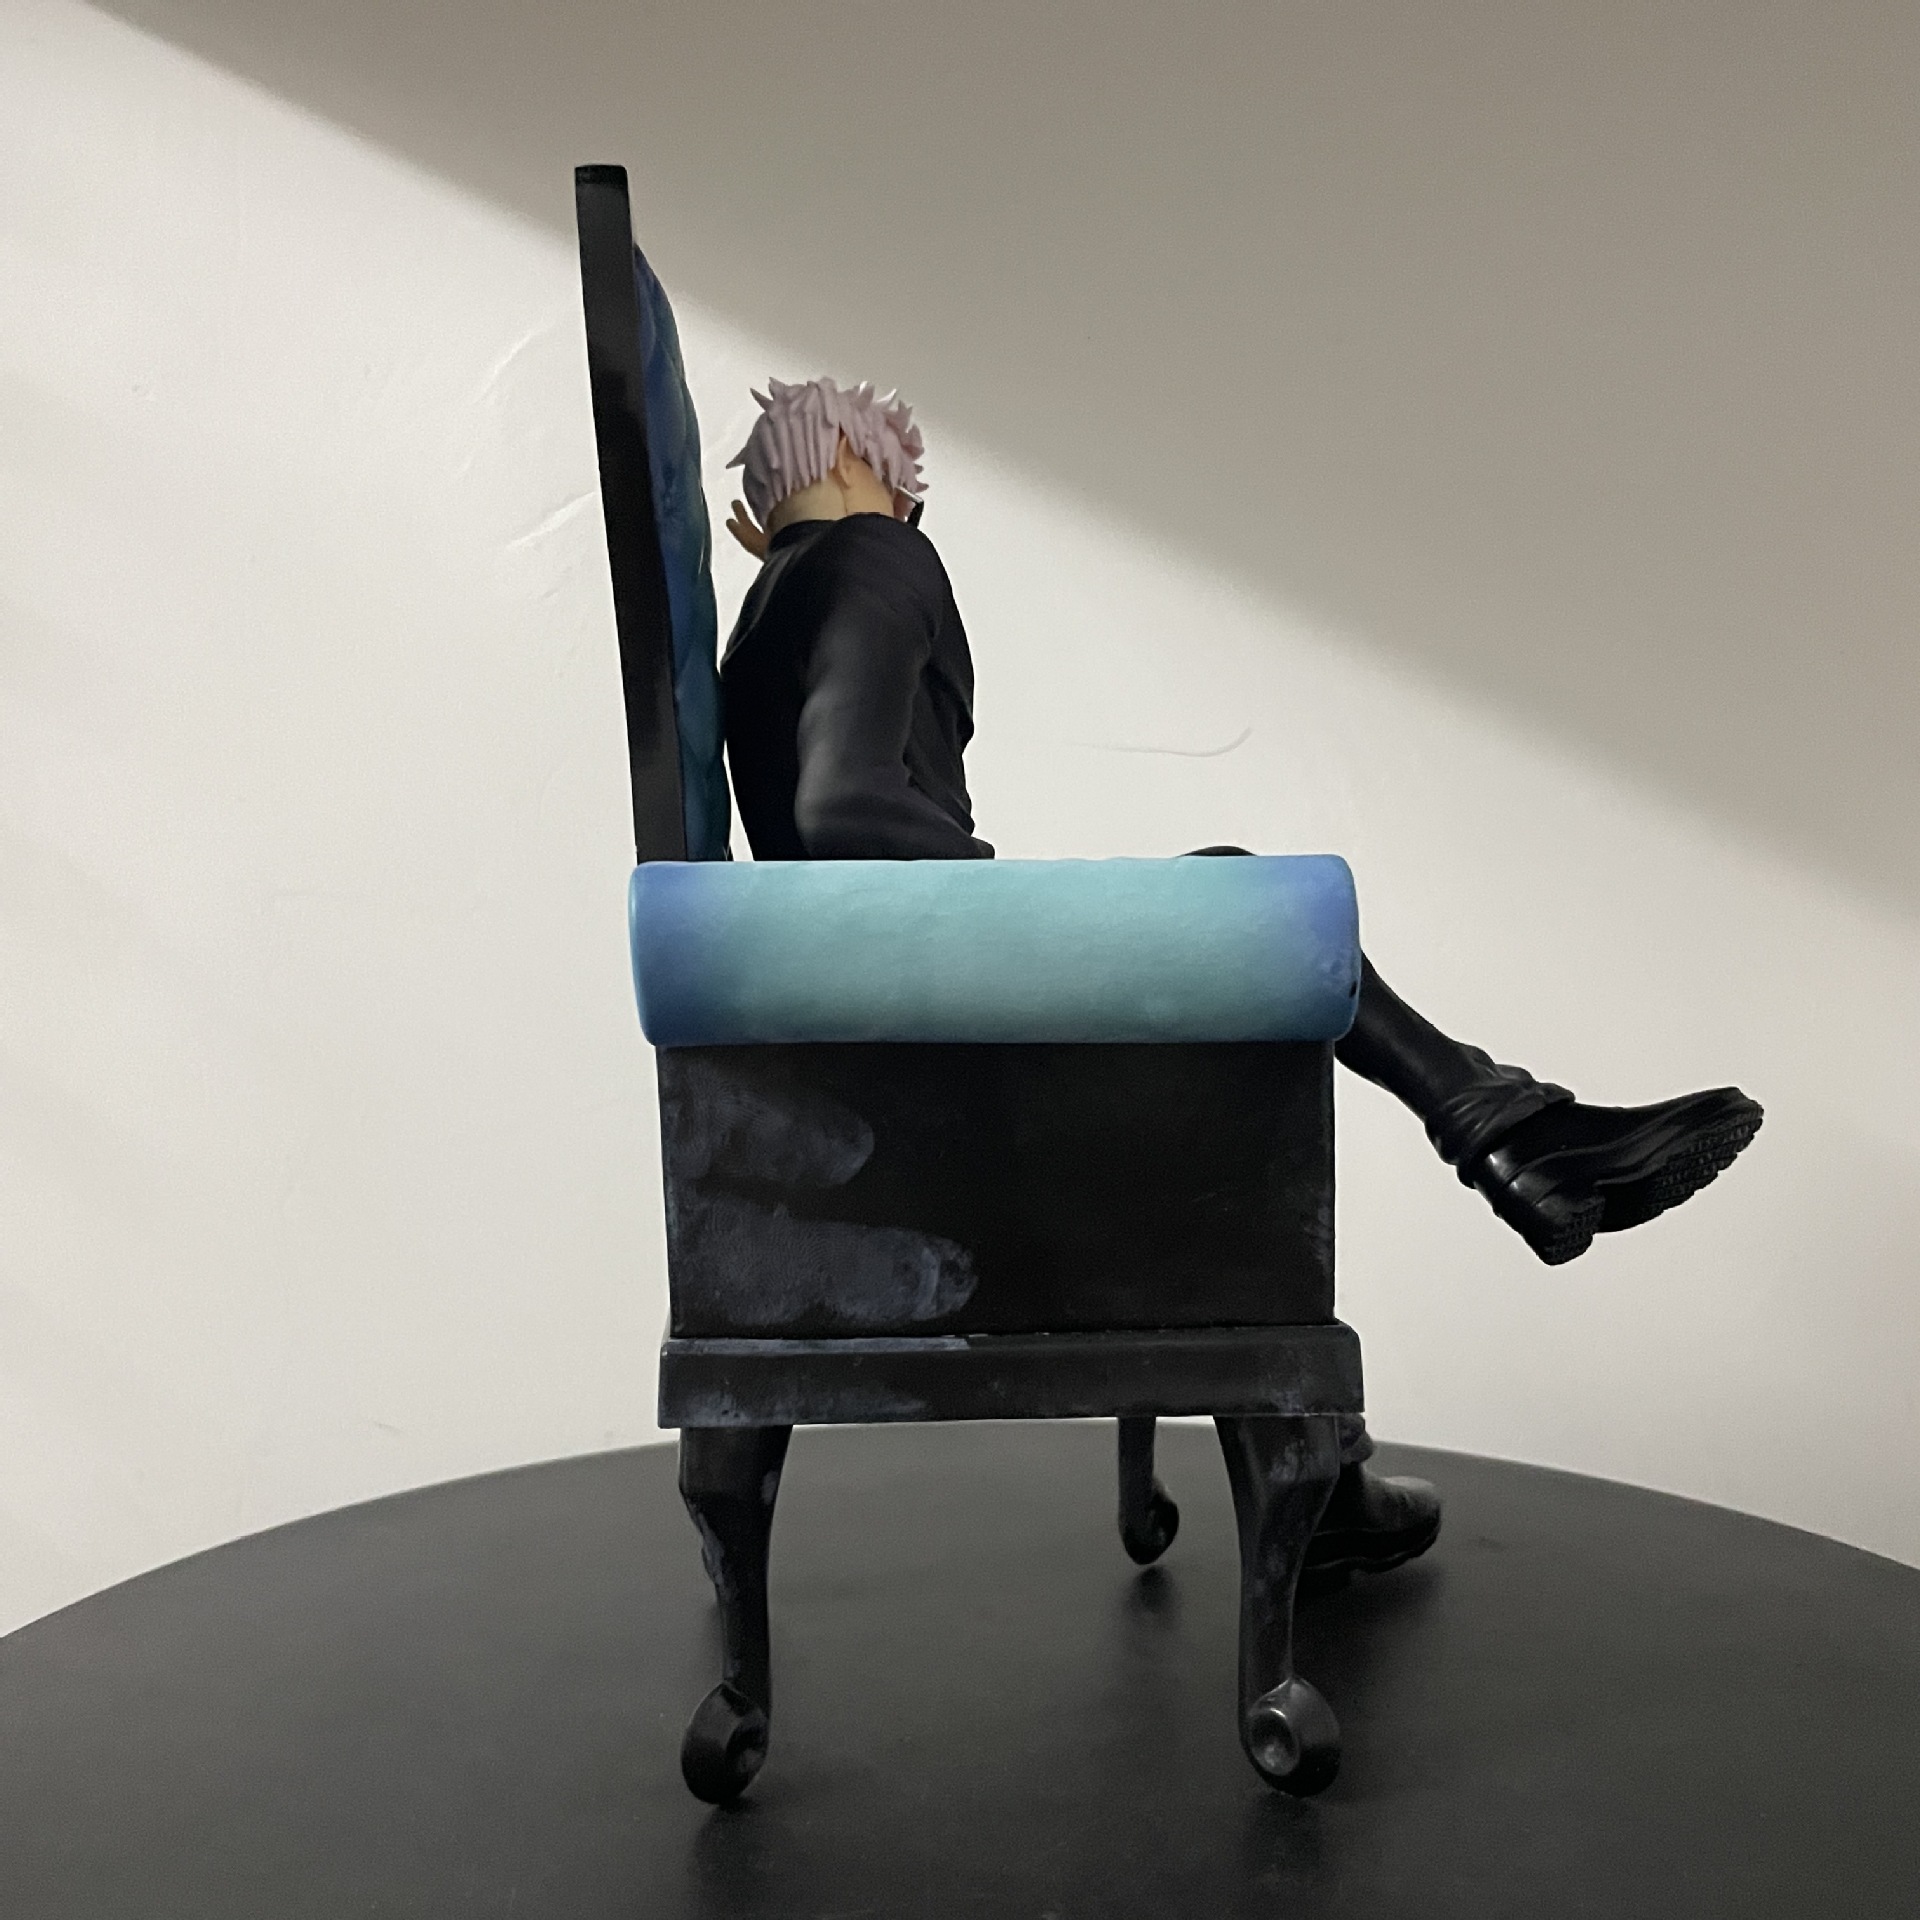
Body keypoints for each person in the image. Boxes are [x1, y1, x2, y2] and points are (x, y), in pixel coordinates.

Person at [716, 377, 1763, 1576]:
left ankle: (1494, 1152)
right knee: (1247, 907)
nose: (909, 510)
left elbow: (816, 826)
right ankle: (1502, 1154)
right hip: (941, 1035)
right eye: (902, 486)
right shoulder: (876, 555)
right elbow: (844, 812)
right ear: (848, 458)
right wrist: (1015, 914)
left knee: (1236, 923)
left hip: (871, 1048)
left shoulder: (761, 617)